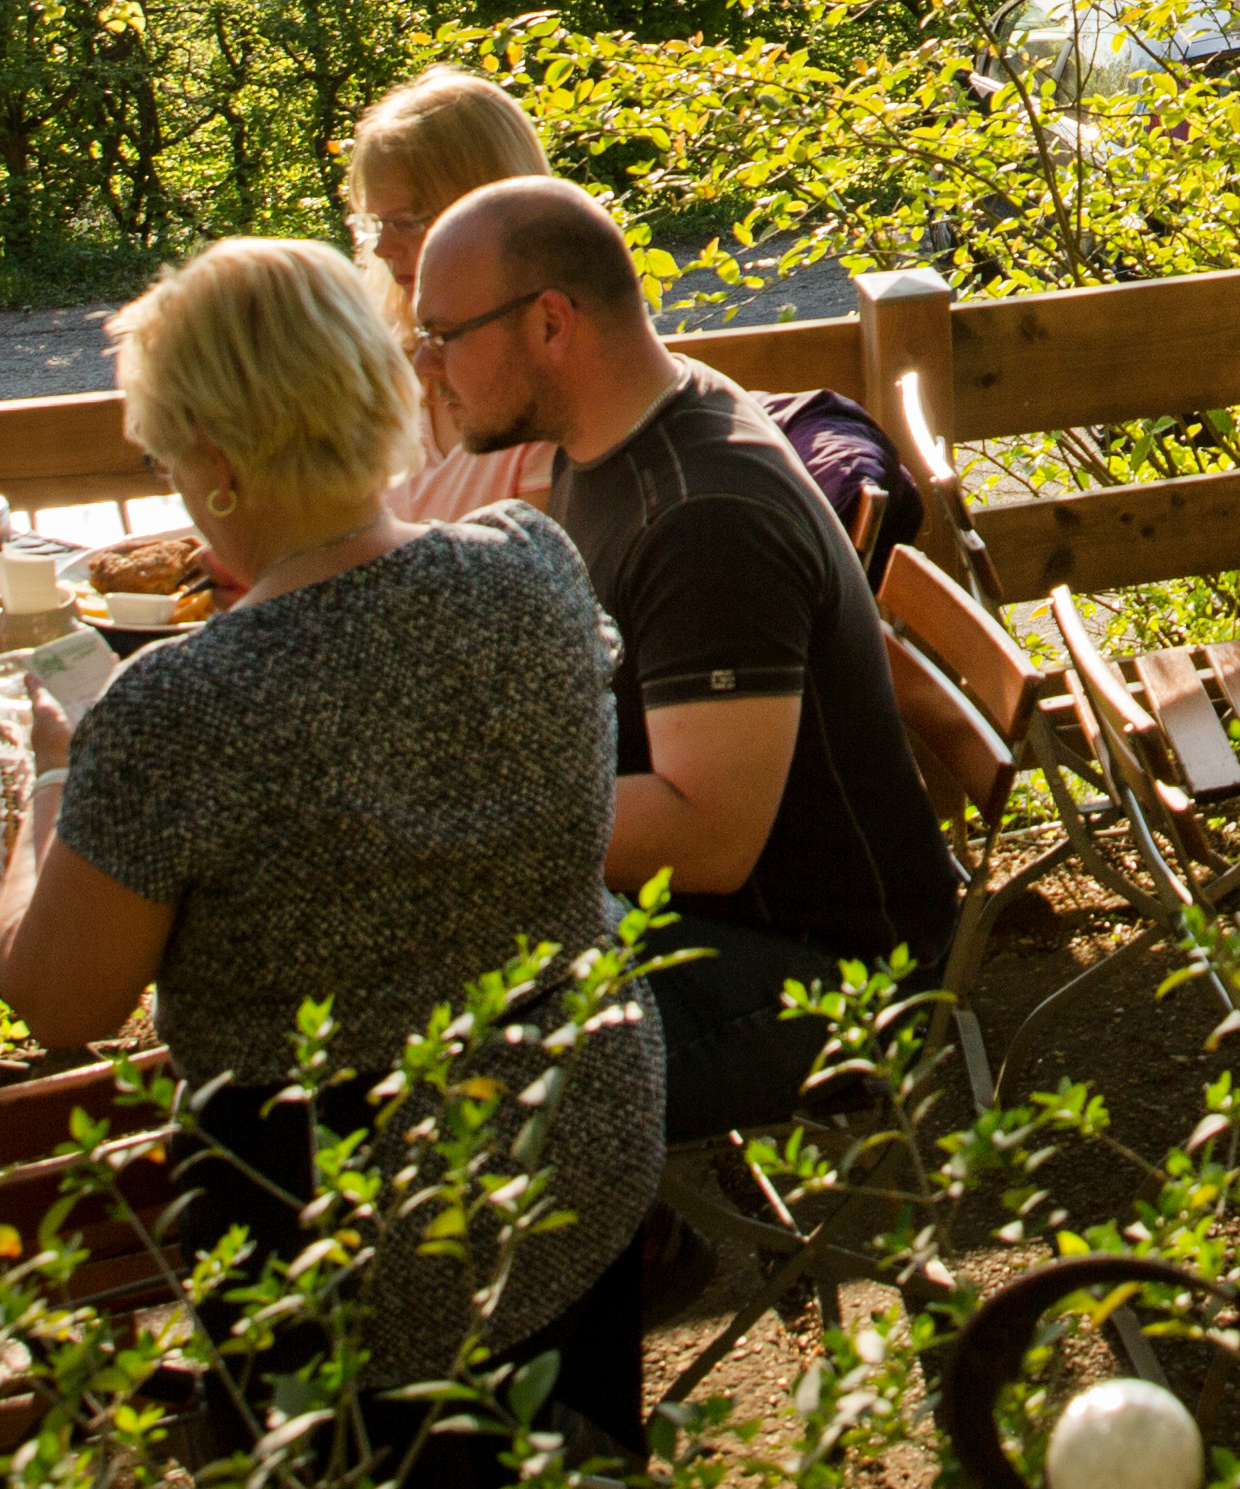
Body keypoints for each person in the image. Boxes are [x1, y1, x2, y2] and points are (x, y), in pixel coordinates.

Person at [0, 237, 659, 1458]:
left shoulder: (176, 711)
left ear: (215, 464)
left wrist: (45, 782)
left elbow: (58, 1003)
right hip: (573, 1142)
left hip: (336, 1225)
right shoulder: (532, 563)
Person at [402, 174, 962, 1145]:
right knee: (398, 987)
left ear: (548, 324)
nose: (426, 368)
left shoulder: (703, 518)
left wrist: (453, 828)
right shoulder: (614, 441)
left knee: (434, 1089)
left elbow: (709, 837)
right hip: (727, 933)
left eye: (443, 336)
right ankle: (625, 1252)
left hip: (829, 984)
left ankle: (626, 1265)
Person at [344, 71, 566, 524]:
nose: (384, 248)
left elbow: (535, 584)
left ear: (489, 209)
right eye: (375, 223)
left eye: (407, 220)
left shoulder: (548, 391)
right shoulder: (387, 365)